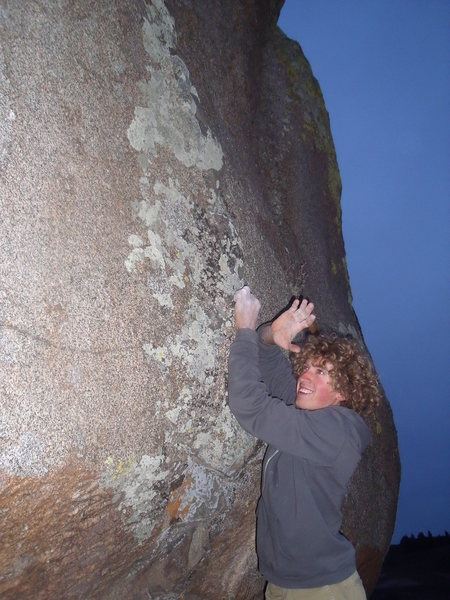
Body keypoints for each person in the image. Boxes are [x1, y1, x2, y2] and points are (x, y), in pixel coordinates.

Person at [228, 286, 381, 600]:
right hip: (284, 582)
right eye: (308, 366)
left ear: (345, 392)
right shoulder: (307, 410)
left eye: (322, 372)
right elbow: (269, 358)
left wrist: (243, 328)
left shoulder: (337, 431)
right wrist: (272, 333)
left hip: (322, 589)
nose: (305, 377)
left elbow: (250, 406)